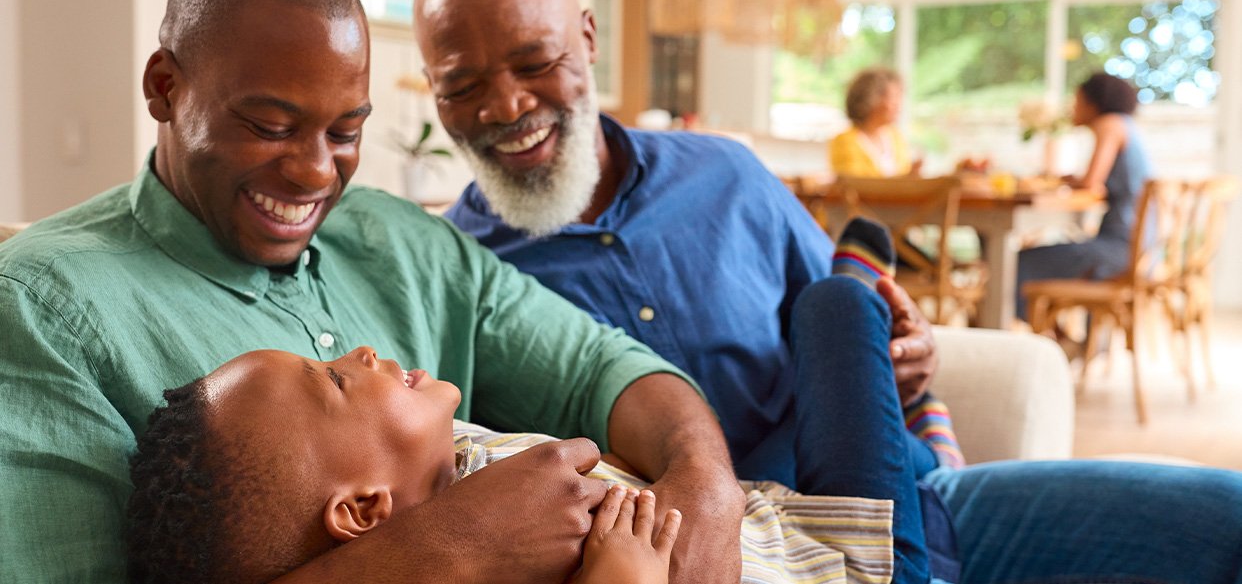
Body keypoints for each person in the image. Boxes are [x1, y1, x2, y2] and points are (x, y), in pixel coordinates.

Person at [427, 0, 1242, 584]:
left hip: (915, 504)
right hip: (753, 557)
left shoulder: (728, 176)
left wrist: (908, 350)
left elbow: (856, 346)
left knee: (1225, 519)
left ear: (589, 37)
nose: (505, 105)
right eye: (461, 84)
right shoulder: (455, 272)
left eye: (535, 62)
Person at [0, 0, 747, 583]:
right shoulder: (42, 304)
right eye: (269, 124)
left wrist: (709, 488)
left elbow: (598, 367)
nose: (316, 172)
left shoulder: (402, 239)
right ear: (167, 88)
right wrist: (453, 545)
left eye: (345, 131)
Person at [125, 344, 903, 583]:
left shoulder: (445, 452)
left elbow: (604, 365)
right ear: (361, 510)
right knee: (841, 304)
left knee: (841, 310)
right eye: (331, 378)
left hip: (786, 512)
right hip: (856, 559)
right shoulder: (503, 563)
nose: (357, 349)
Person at [1015, 72, 1153, 320]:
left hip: (1120, 249)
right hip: (1145, 250)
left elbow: (1091, 182)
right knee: (1036, 258)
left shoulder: (1109, 124)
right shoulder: (1126, 125)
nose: (1073, 107)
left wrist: (1064, 180)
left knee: (1016, 262)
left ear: (1094, 102)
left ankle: (1043, 339)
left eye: (1077, 101)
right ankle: (1057, 337)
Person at [829, 67, 920, 178]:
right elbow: (855, 184)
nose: (898, 105)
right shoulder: (844, 141)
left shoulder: (896, 137)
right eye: (893, 97)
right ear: (871, 99)